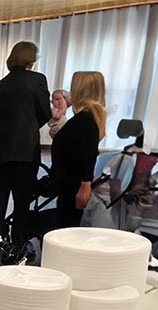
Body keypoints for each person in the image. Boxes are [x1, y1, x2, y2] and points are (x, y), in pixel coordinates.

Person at [0, 41, 52, 239]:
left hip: (2, 149)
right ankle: (19, 243)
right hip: (26, 148)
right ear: (31, 59)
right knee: (22, 200)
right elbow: (45, 113)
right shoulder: (38, 80)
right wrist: (30, 126)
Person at [50, 71, 106, 228]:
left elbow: (89, 154)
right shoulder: (87, 118)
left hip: (72, 184)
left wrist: (85, 186)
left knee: (68, 226)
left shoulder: (85, 120)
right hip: (68, 182)